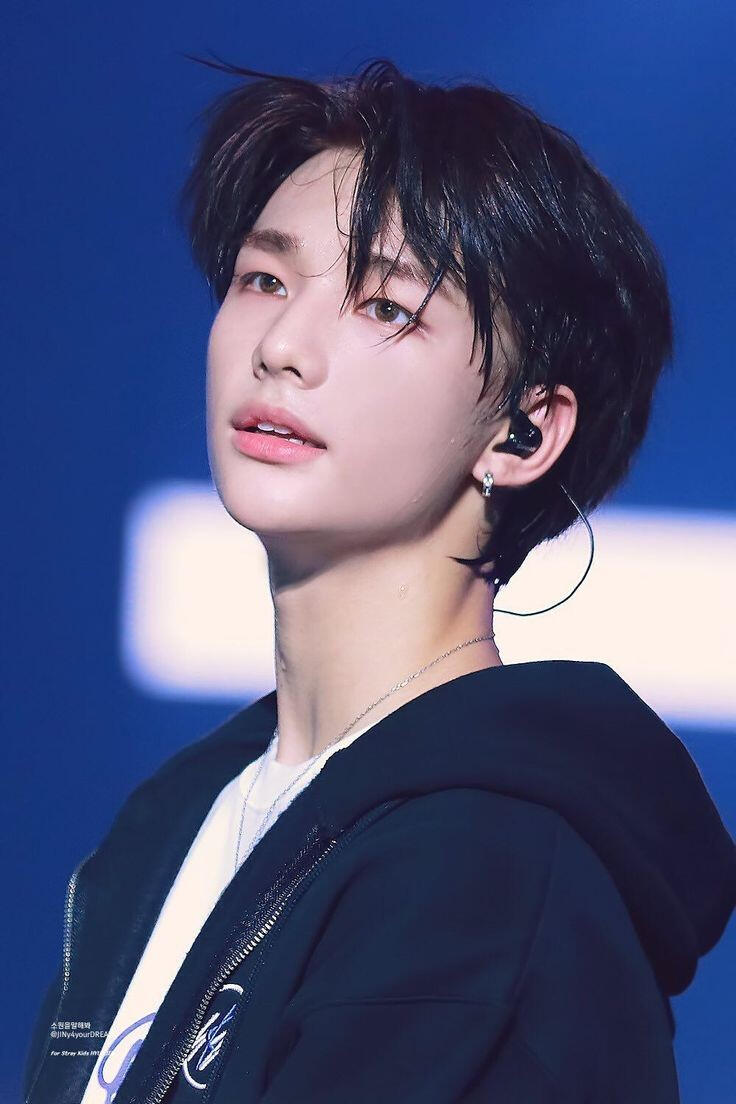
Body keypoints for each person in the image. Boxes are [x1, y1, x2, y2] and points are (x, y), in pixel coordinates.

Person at [24, 56, 735, 1103]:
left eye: (386, 306)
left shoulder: (489, 873)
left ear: (523, 432)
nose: (282, 346)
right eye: (265, 280)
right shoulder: (169, 828)